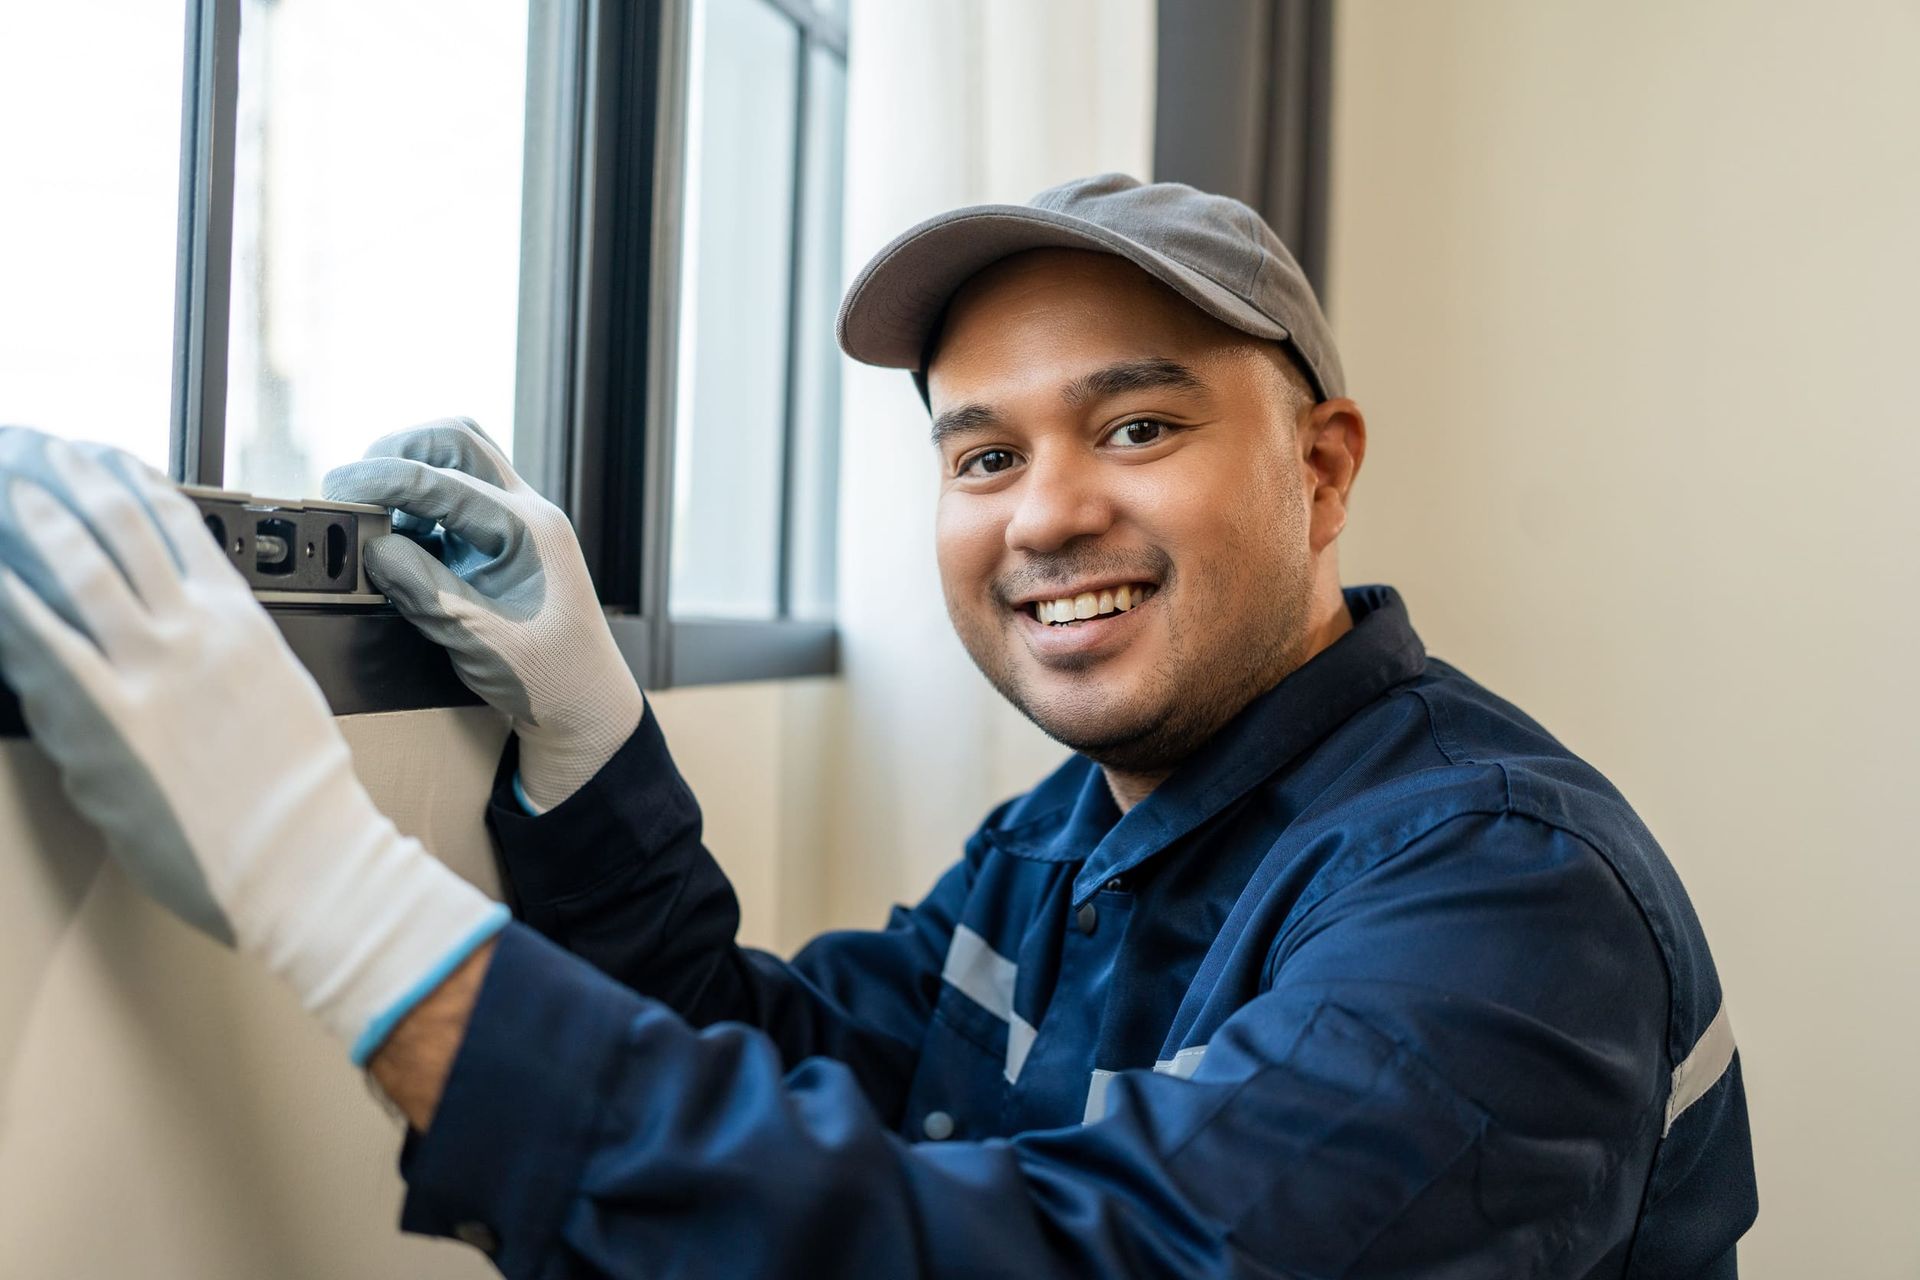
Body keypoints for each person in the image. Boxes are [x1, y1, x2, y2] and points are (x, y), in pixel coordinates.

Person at [0, 174, 1756, 1277]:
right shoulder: (1074, 835)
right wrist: (590, 751)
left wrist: (327, 888)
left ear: (1322, 464)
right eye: (982, 455)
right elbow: (798, 1080)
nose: (1043, 515)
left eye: (1135, 428)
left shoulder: (1499, 896)